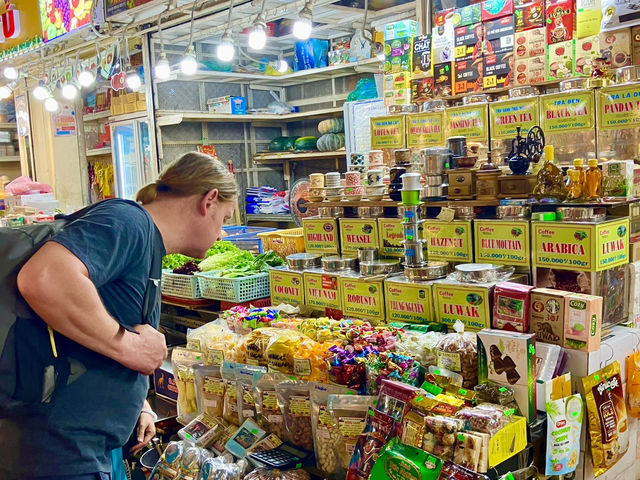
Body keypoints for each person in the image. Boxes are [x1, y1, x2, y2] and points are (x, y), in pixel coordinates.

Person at [1, 152, 237, 479]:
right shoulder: (129, 222)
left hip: (77, 444)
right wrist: (128, 347)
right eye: (224, 219)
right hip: (58, 450)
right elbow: (44, 278)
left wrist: (138, 402)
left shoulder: (146, 242)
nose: (223, 233)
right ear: (208, 201)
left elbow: (93, 317)